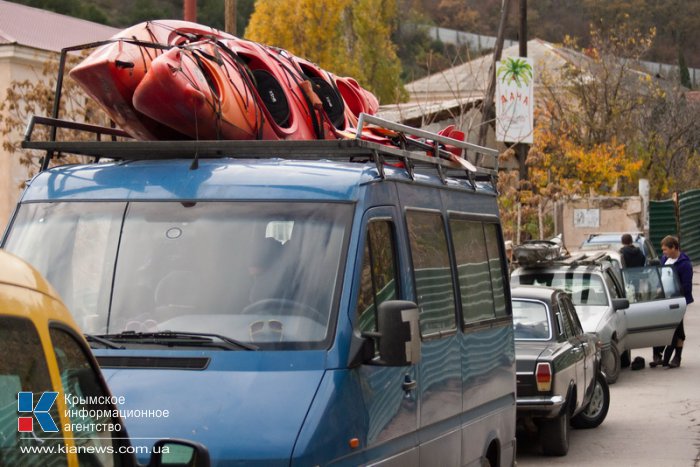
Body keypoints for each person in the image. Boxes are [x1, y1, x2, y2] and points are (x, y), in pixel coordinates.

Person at [650, 235, 694, 368]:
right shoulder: (665, 259)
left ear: (674, 248)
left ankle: (677, 357)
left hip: (677, 301)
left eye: (665, 250)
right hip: (664, 299)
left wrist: (679, 301)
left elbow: (686, 287)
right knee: (662, 327)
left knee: (678, 331)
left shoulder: (685, 264)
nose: (663, 253)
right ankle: (658, 354)